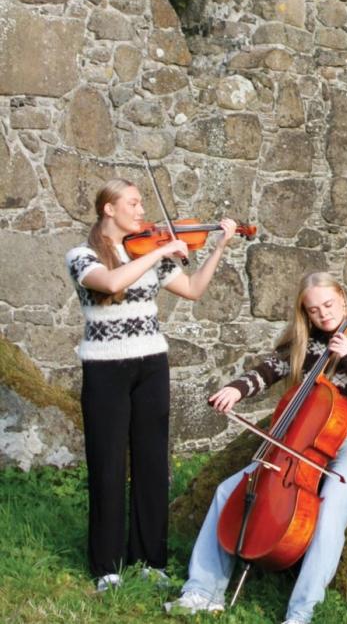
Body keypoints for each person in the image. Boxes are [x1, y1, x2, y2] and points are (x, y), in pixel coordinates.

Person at [166, 271, 347, 624]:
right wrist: (235, 389)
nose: (323, 314)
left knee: (330, 511)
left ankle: (301, 613)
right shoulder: (304, 342)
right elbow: (266, 371)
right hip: (302, 443)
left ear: (343, 300)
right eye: (313, 310)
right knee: (229, 491)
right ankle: (201, 591)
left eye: (328, 305)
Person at [64, 178, 238, 592]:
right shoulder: (82, 255)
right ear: (109, 209)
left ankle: (150, 561)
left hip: (151, 365)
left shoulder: (148, 252)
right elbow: (110, 283)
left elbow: (192, 290)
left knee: (152, 463)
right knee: (108, 465)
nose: (142, 211)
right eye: (134, 203)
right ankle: (107, 567)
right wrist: (162, 250)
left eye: (142, 203)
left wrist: (219, 248)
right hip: (105, 368)